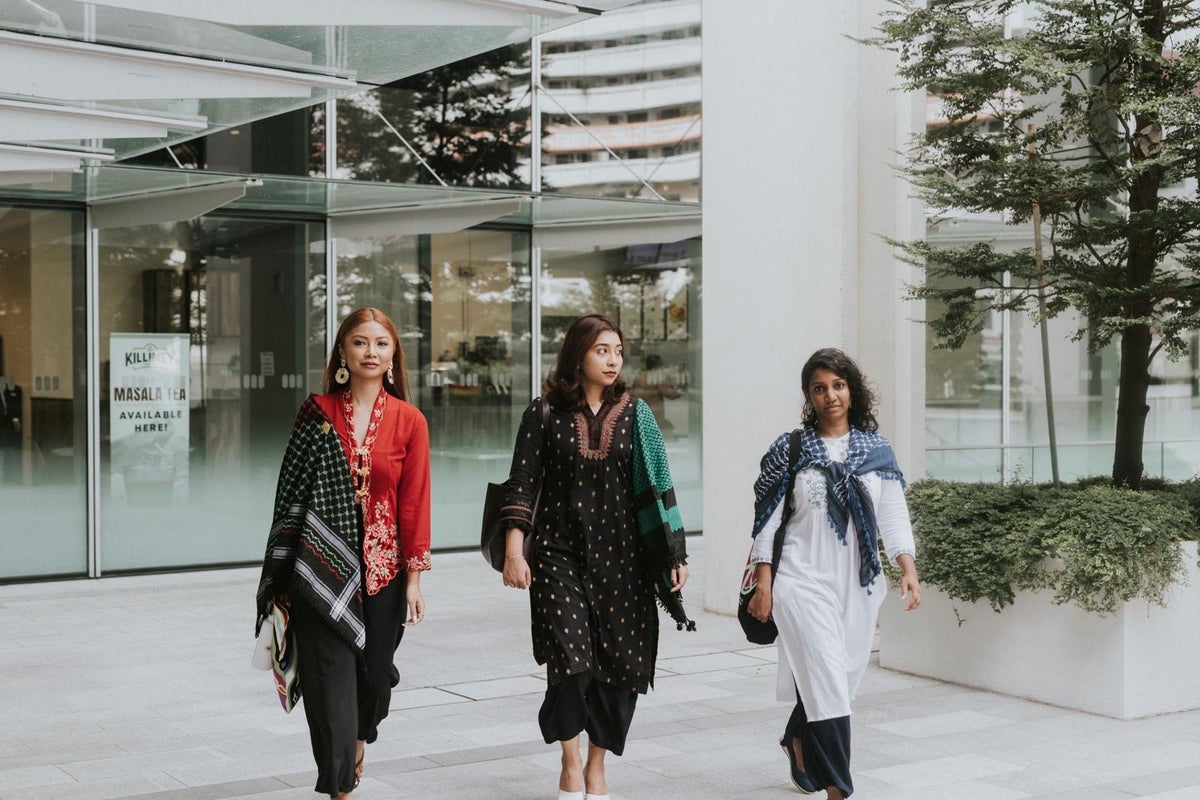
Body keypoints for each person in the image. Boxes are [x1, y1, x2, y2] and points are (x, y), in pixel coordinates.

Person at [498, 313, 693, 800]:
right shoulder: (542, 413)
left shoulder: (636, 415)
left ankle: (597, 767)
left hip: (623, 560)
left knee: (620, 664)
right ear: (578, 354)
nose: (612, 359)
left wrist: (674, 552)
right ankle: (569, 761)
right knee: (571, 660)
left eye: (618, 351)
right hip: (558, 554)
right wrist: (514, 551)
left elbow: (658, 486)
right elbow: (522, 483)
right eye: (602, 349)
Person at [255, 307, 431, 799]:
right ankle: (340, 788)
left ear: (393, 355)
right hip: (320, 569)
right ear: (342, 353)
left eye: (380, 343)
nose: (370, 352)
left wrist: (415, 580)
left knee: (374, 679)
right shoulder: (317, 412)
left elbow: (414, 503)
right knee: (330, 685)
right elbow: (290, 493)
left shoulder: (410, 421)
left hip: (383, 573)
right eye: (360, 342)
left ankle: (359, 739)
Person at [746, 348, 921, 799]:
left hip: (858, 582)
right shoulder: (790, 449)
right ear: (809, 395)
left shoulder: (876, 451)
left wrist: (907, 568)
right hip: (799, 578)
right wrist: (763, 585)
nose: (830, 395)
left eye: (838, 385)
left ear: (852, 390)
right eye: (819, 388)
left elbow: (893, 515)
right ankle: (839, 790)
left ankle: (797, 738)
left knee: (839, 678)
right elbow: (767, 521)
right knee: (826, 678)